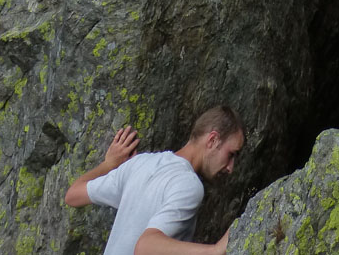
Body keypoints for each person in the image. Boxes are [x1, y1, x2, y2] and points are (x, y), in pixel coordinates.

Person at [64, 104, 245, 255]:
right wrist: (214, 251)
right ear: (212, 140)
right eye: (231, 154)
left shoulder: (139, 164)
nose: (230, 168)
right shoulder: (189, 185)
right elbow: (145, 246)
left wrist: (108, 164)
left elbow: (72, 195)